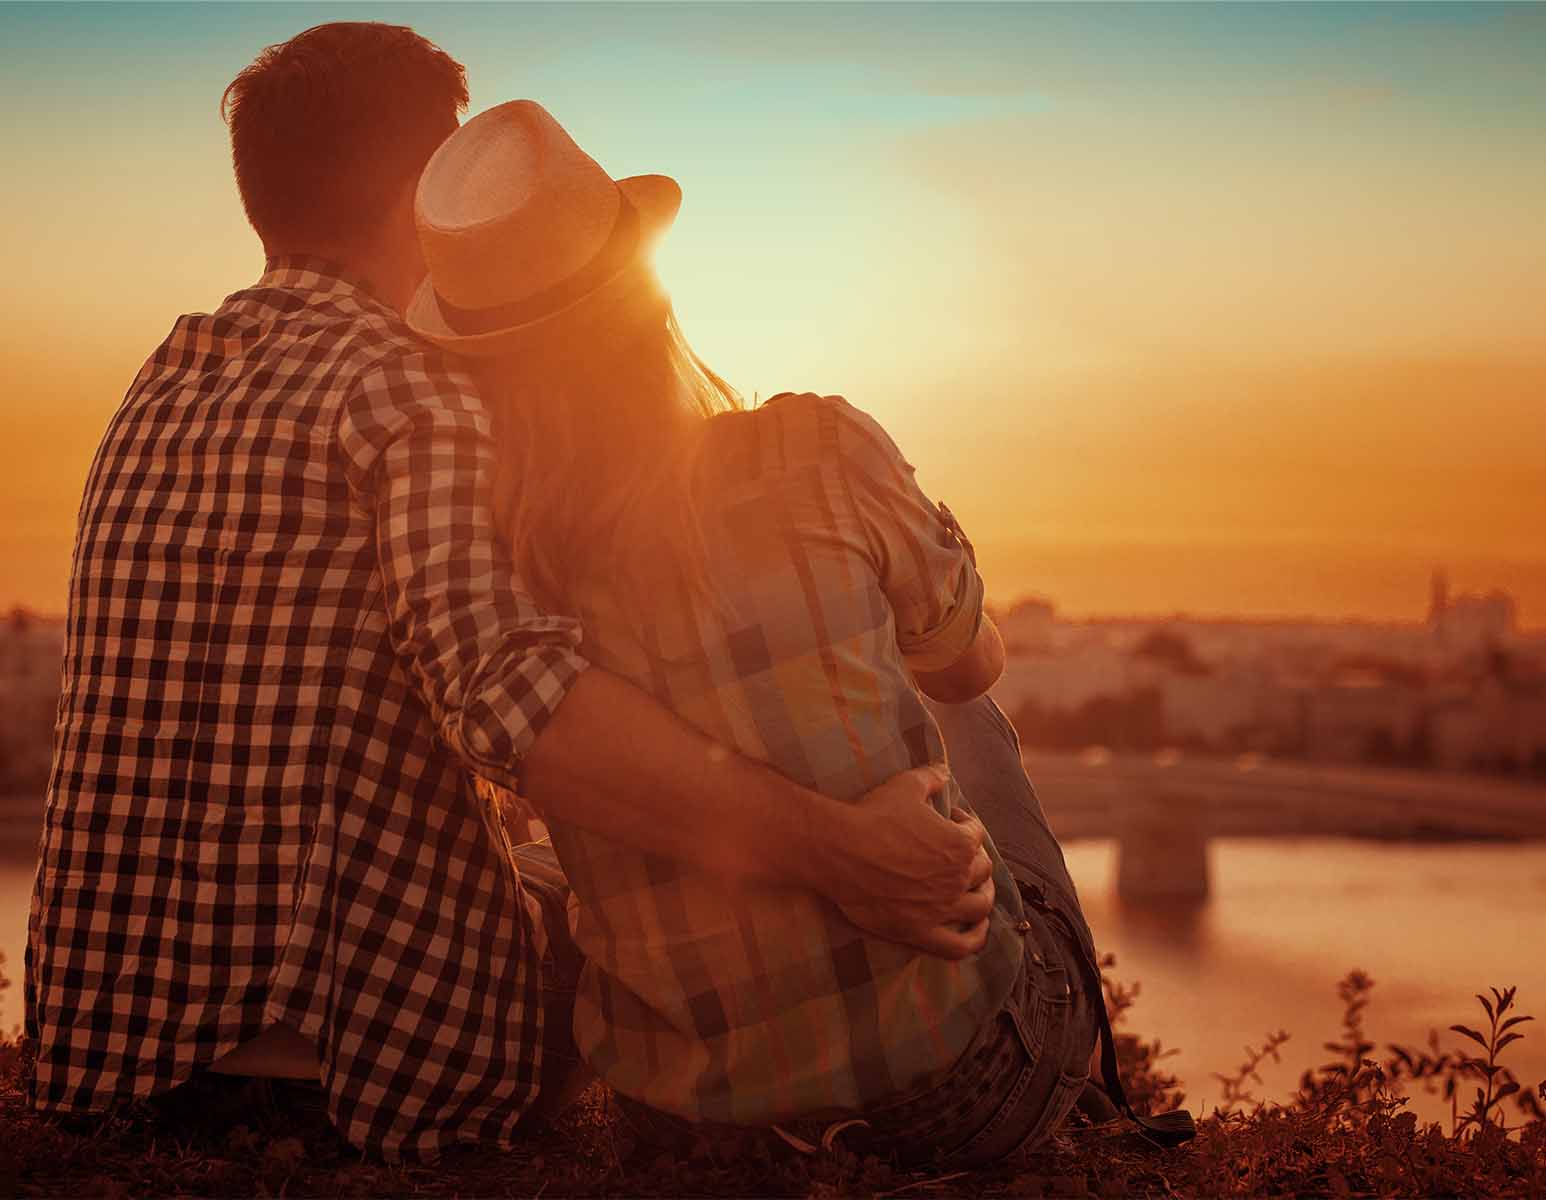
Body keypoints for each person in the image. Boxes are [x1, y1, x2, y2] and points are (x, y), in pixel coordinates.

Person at [24, 23, 997, 1164]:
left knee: (557, 870)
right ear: (421, 196)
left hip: (112, 1047)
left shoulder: (169, 374)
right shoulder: (407, 389)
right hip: (351, 1065)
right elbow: (511, 701)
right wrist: (844, 850)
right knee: (961, 726)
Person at [405, 100, 1192, 1165]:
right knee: (975, 720)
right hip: (955, 1091)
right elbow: (966, 661)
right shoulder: (818, 448)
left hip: (684, 1118)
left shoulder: (497, 561)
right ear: (647, 295)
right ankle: (1080, 1096)